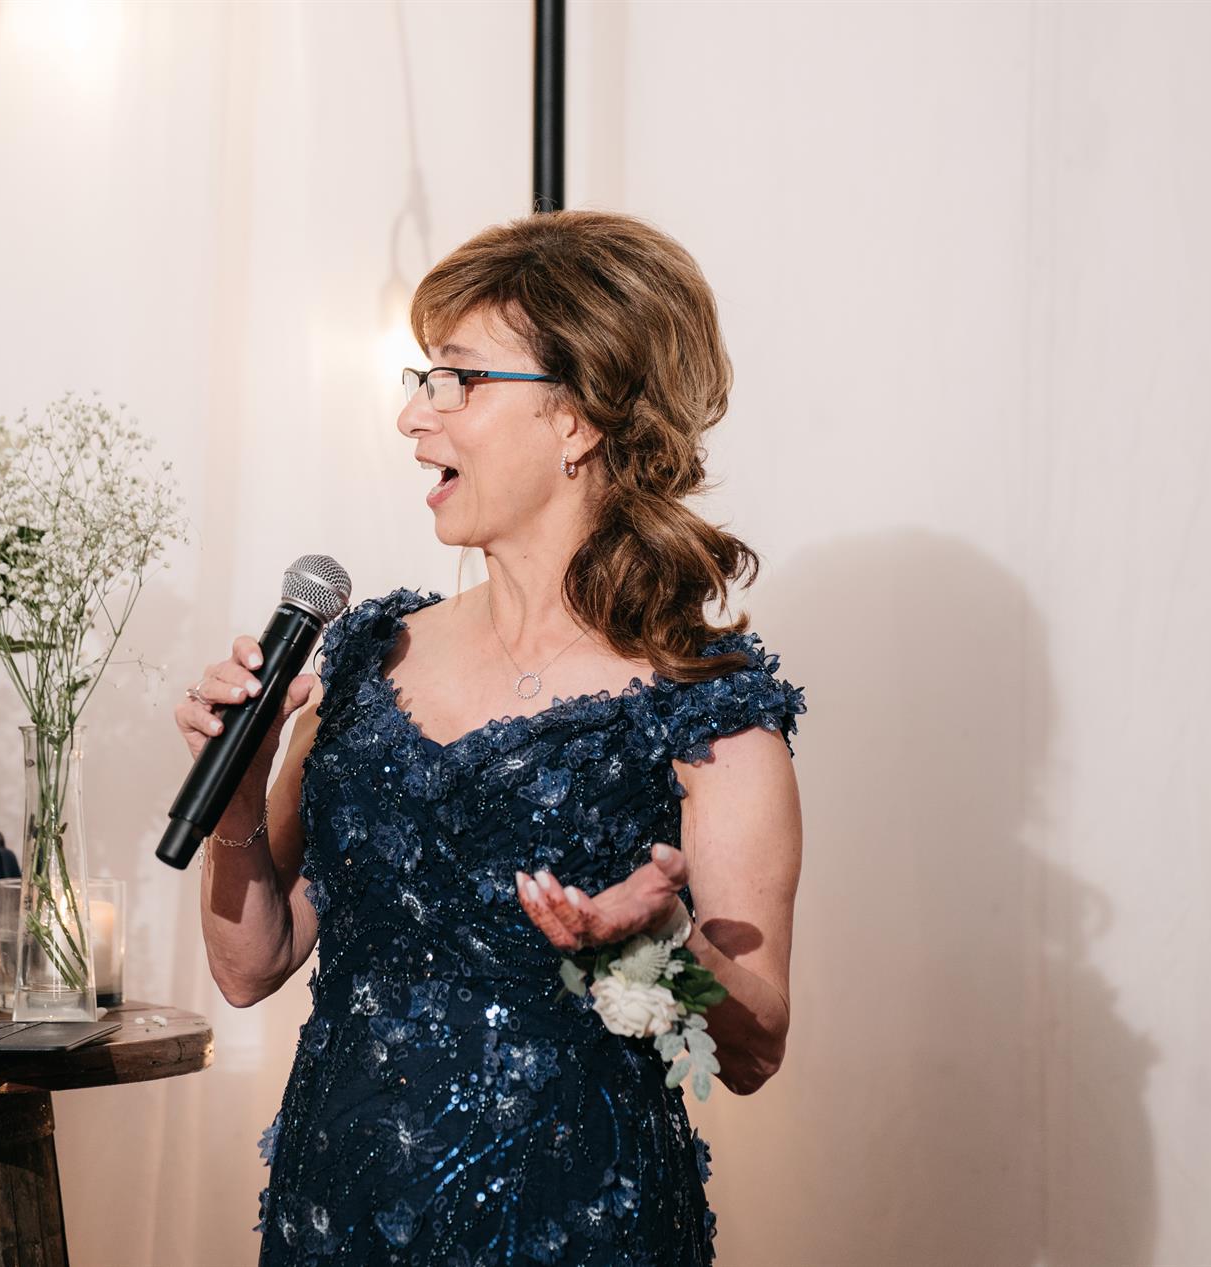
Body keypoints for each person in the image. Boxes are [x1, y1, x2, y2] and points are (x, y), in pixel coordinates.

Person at [177, 210, 805, 1266]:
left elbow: (755, 1043)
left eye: (456, 380)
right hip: (335, 1223)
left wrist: (650, 949)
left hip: (581, 1232)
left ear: (579, 418)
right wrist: (235, 793)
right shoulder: (364, 657)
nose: (411, 417)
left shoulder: (707, 706)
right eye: (421, 377)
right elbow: (250, 966)